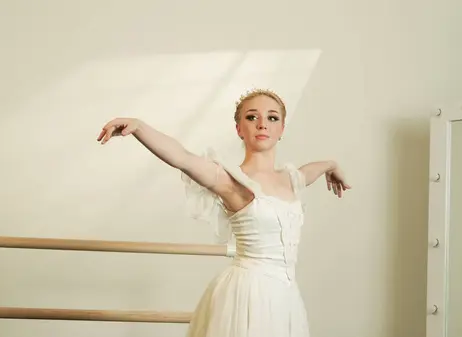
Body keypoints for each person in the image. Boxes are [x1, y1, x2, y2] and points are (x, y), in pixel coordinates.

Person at [97, 89, 350, 337]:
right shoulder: (231, 180)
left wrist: (331, 165)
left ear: (282, 129)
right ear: (239, 129)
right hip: (248, 295)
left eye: (272, 118)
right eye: (252, 117)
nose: (262, 124)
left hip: (286, 296)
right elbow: (182, 157)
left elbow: (310, 171)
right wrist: (139, 127)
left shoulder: (292, 179)